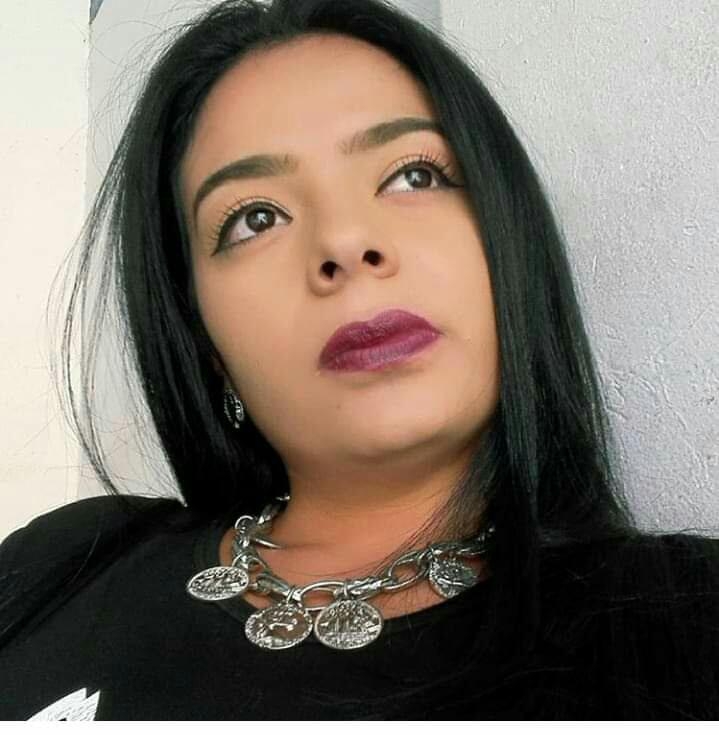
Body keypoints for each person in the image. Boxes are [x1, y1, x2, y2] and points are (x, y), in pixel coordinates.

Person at [0, 0, 717, 721]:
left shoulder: (685, 625)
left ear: (510, 235)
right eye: (255, 218)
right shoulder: (65, 564)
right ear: (204, 340)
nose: (344, 242)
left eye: (413, 175)